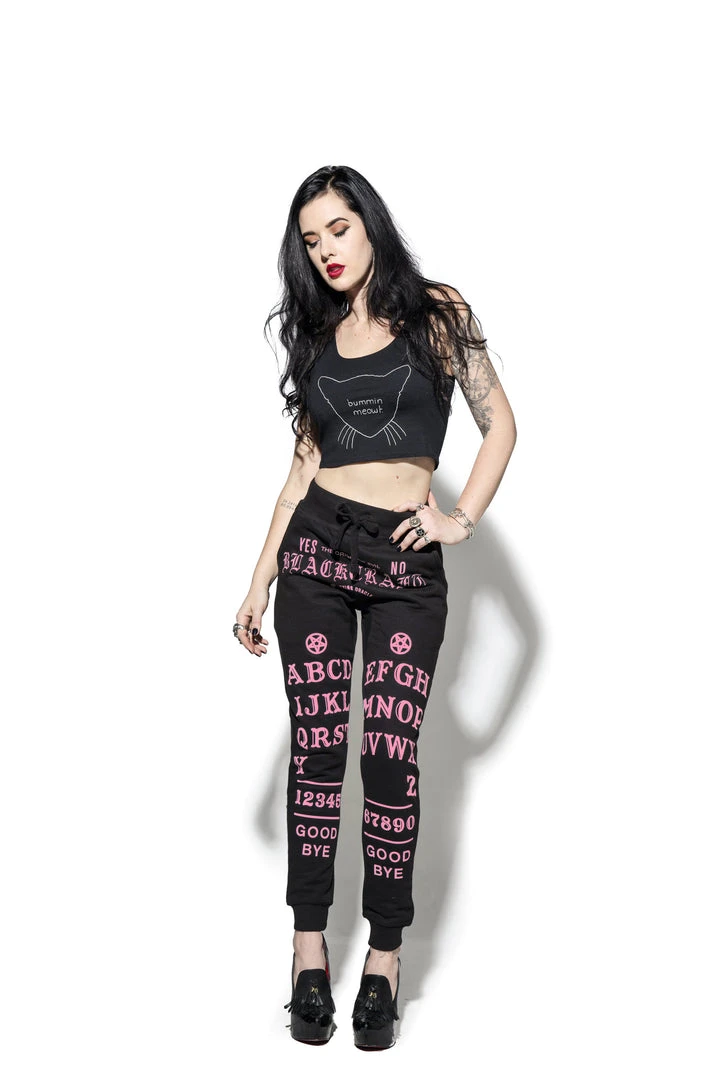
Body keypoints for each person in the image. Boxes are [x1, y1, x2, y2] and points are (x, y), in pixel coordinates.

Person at [234, 164, 517, 1049]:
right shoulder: (319, 337)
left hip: (405, 560)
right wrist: (259, 578)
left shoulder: (440, 314)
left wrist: (459, 519)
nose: (326, 250)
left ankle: (386, 957)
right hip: (316, 551)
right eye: (310, 239)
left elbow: (501, 424)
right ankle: (308, 950)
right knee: (317, 752)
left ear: (371, 225)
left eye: (338, 229)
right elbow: (301, 472)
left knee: (388, 758)